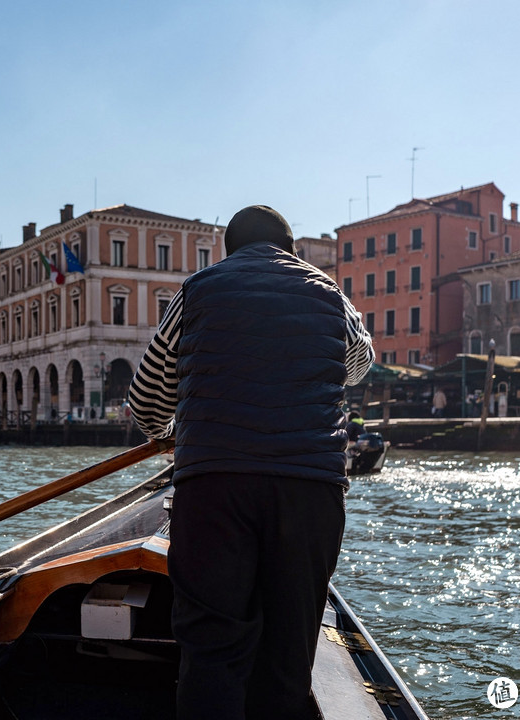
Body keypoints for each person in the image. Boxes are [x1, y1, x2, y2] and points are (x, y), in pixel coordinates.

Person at [127, 205, 374, 719]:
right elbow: (357, 363)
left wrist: (167, 433)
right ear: (292, 250)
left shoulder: (199, 289)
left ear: (228, 251)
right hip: (310, 490)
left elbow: (147, 395)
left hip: (216, 486)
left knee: (212, 651)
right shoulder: (329, 293)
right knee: (289, 655)